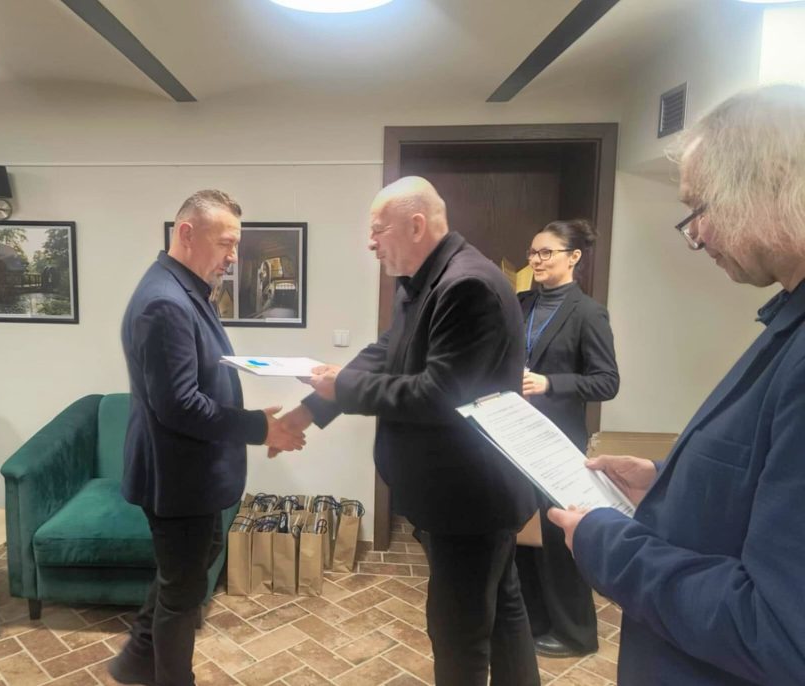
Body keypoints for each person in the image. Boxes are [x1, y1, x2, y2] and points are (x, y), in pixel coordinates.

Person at [549, 84, 805, 685]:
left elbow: (779, 631)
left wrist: (608, 543)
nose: (696, 236)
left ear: (765, 187)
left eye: (700, 209)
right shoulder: (787, 318)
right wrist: (669, 483)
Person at [276, 177, 539, 685]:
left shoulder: (467, 286)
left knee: (459, 636)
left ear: (416, 226)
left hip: (470, 500)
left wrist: (343, 385)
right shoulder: (423, 281)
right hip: (463, 495)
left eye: (378, 230)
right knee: (503, 612)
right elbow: (385, 353)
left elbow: (438, 394)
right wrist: (311, 408)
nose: (370, 243)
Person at [109, 190, 305, 686]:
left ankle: (135, 661)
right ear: (186, 234)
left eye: (236, 244)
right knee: (182, 595)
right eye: (225, 243)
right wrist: (258, 426)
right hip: (178, 477)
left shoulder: (185, 288)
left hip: (194, 472)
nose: (233, 256)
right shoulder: (165, 302)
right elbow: (179, 405)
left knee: (187, 570)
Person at [514, 219, 619, 658]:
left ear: (573, 257)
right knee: (521, 532)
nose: (536, 260)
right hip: (513, 433)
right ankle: (535, 621)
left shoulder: (588, 313)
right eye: (533, 252)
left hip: (557, 441)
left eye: (547, 252)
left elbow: (607, 382)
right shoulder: (521, 304)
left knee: (560, 537)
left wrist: (550, 383)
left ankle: (576, 634)